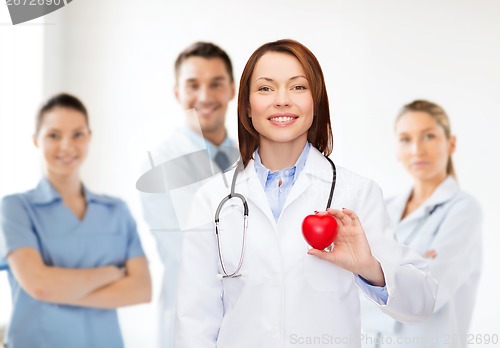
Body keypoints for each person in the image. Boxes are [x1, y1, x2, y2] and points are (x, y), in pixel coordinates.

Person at [174, 39, 438, 348]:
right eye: (265, 89)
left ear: (316, 101)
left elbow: (422, 302)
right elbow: (194, 322)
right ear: (246, 105)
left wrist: (369, 268)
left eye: (298, 87)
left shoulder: (356, 193)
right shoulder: (213, 199)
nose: (282, 100)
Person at [0, 93, 152, 348]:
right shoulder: (16, 208)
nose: (67, 146)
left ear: (89, 137)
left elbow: (141, 289)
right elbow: (39, 286)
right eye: (54, 135)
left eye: (77, 134)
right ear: (36, 140)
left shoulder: (116, 211)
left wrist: (58, 289)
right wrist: (109, 274)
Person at [137, 41, 238, 348]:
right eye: (193, 85)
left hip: (248, 320)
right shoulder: (159, 165)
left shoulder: (252, 160)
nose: (205, 96)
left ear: (232, 89)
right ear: (177, 92)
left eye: (216, 84)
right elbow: (188, 252)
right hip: (190, 322)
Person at [361, 100, 483, 348]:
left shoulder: (463, 210)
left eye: (428, 136)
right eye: (405, 139)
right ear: (396, 148)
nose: (416, 149)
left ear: (451, 143)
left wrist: (369, 277)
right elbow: (347, 294)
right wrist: (397, 278)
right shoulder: (384, 207)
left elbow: (426, 298)